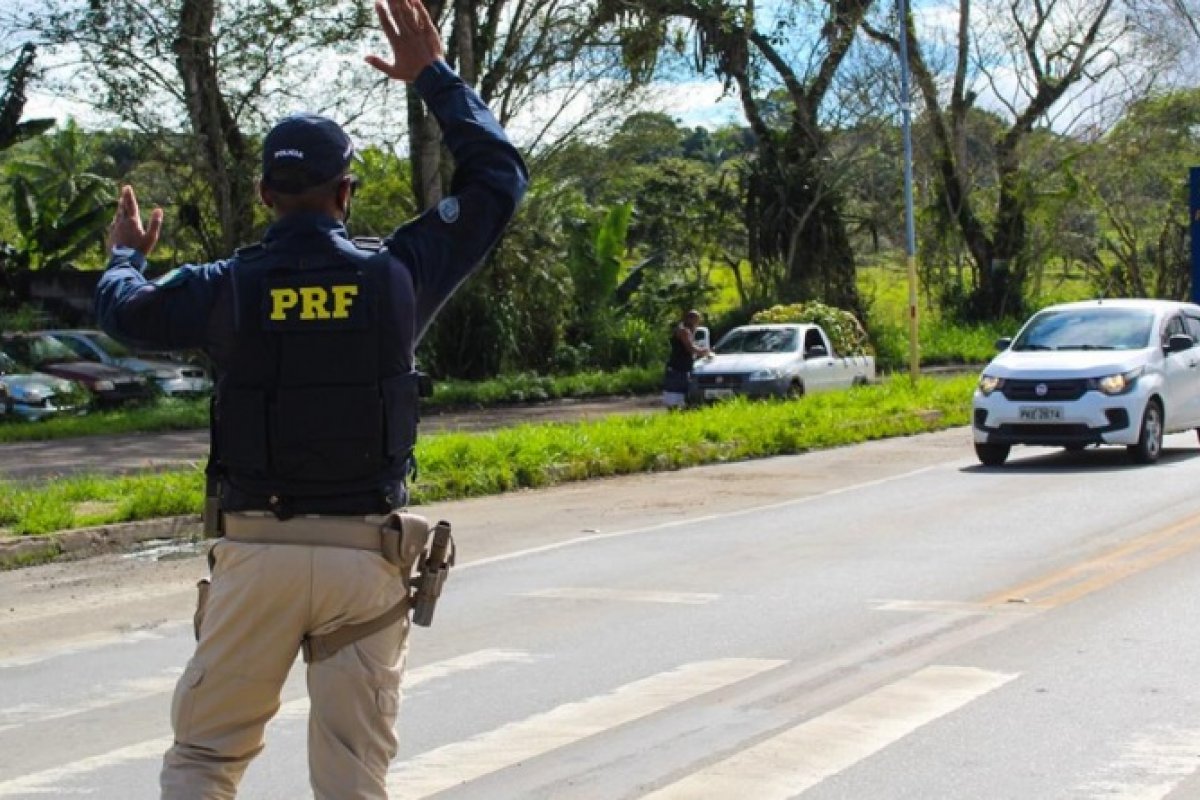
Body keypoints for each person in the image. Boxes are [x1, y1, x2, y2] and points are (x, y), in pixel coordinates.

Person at [93, 0, 527, 796]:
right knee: (352, 780)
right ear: (347, 192)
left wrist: (124, 258)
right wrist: (432, 75)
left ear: (263, 194)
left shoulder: (223, 288)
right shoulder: (399, 275)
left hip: (254, 554)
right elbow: (498, 178)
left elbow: (123, 310)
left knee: (204, 759)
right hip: (365, 557)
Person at [662, 309, 710, 409]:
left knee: (682, 395)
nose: (697, 324)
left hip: (683, 368)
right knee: (674, 396)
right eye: (696, 321)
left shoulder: (687, 331)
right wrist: (703, 351)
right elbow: (690, 348)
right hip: (677, 368)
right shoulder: (684, 331)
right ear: (690, 319)